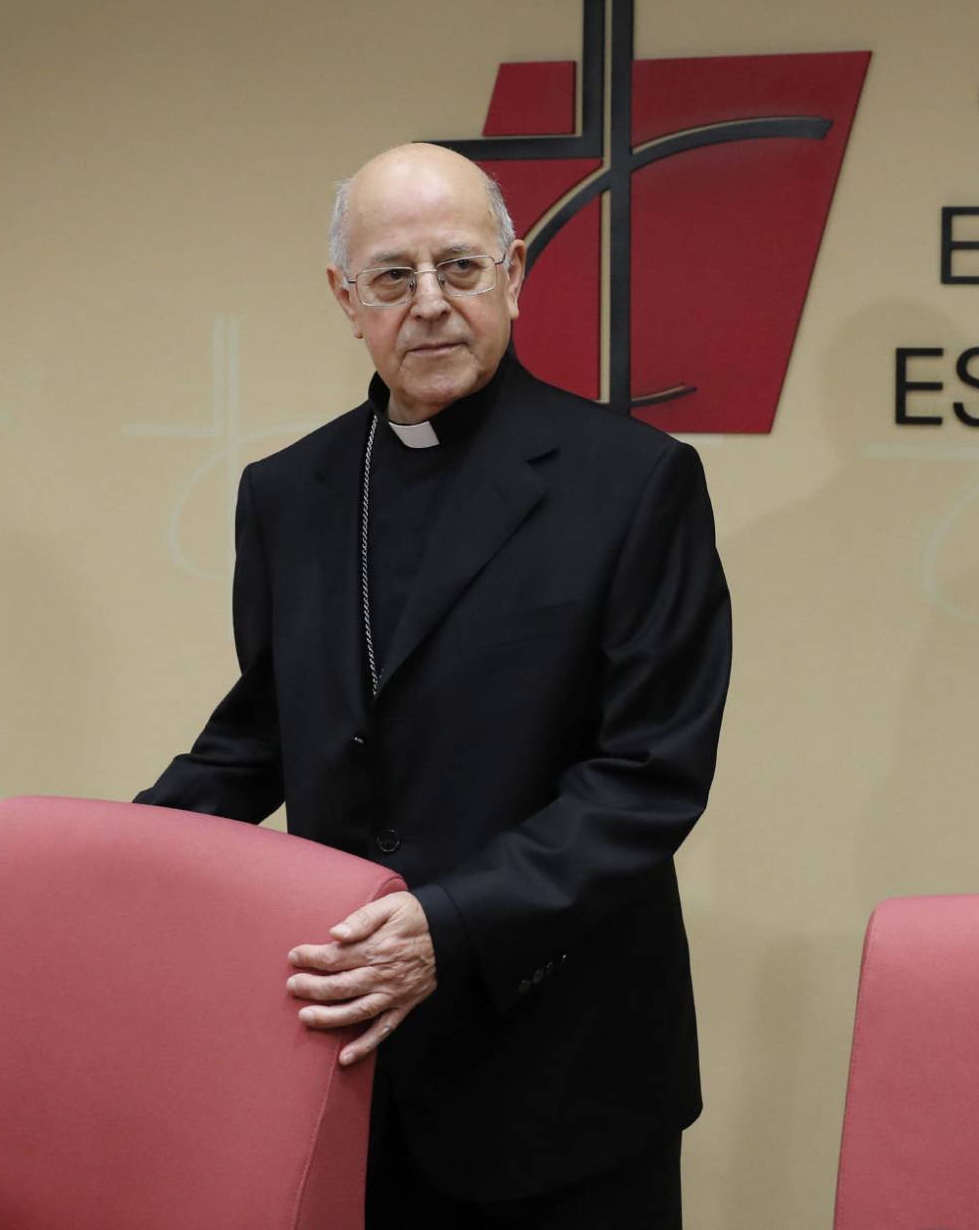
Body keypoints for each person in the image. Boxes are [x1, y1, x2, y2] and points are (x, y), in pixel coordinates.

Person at [134, 142, 732, 1228]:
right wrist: (113, 870)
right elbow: (262, 730)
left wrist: (446, 926)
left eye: (459, 267)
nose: (430, 304)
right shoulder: (290, 492)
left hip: (564, 1069)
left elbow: (645, 777)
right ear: (344, 297)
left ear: (513, 272)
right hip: (352, 1059)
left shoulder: (634, 482)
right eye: (393, 277)